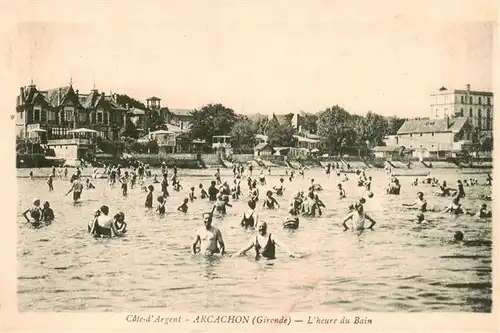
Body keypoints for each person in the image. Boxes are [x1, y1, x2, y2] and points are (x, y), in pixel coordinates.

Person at [232, 221, 297, 259]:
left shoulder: (271, 237)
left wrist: (290, 253)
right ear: (257, 228)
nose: (261, 229)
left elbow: (282, 245)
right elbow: (245, 248)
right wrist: (236, 254)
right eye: (260, 227)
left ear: (266, 228)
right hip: (258, 263)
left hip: (270, 263)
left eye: (263, 227)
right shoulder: (255, 238)